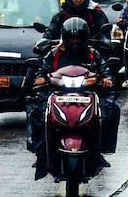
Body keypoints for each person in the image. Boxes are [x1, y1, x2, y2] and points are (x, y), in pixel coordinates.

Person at [27, 18, 119, 180]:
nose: (75, 41)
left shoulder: (93, 53)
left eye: (78, 38)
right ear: (65, 37)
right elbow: (42, 70)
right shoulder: (54, 53)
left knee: (113, 109)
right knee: (36, 111)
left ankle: (101, 148)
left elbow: (105, 70)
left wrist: (107, 79)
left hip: (88, 93)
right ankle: (41, 152)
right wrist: (41, 78)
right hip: (56, 92)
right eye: (71, 38)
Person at [45, 0, 110, 41]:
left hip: (90, 48)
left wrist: (104, 40)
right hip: (64, 49)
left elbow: (103, 30)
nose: (78, 0)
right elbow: (52, 30)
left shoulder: (95, 13)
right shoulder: (61, 15)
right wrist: (45, 40)